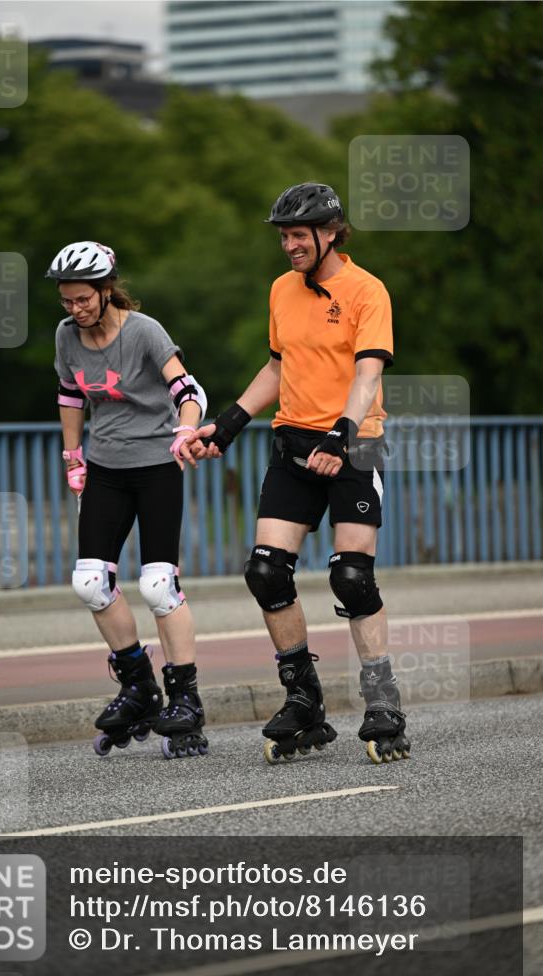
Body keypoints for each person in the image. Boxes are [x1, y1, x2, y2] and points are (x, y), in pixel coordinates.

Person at [186, 183, 411, 765]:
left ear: (331, 232)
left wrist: (341, 435)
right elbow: (277, 365)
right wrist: (228, 424)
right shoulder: (282, 290)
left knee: (352, 577)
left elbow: (366, 376)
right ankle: (304, 700)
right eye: (283, 235)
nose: (288, 245)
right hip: (292, 446)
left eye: (298, 235)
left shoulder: (367, 291)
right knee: (265, 572)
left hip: (353, 446)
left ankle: (382, 702)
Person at [47, 240, 209, 759]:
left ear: (105, 288)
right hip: (107, 469)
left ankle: (186, 697)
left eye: (83, 299)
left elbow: (188, 391)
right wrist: (74, 456)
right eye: (67, 300)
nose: (75, 309)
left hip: (158, 466)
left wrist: (185, 433)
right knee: (90, 582)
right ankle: (138, 685)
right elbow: (70, 394)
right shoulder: (66, 337)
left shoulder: (143, 331)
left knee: (159, 585)